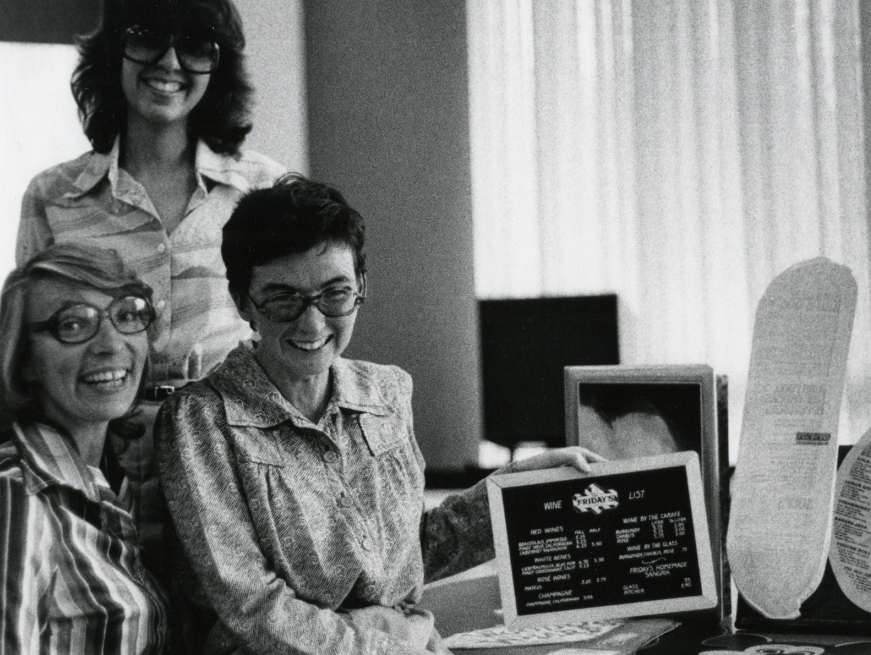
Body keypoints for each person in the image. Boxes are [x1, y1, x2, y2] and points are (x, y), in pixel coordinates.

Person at [157, 175, 603, 654]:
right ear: (244, 301)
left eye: (335, 294)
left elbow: (408, 555)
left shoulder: (387, 391)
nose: (312, 323)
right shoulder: (200, 421)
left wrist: (520, 490)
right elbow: (253, 608)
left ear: (361, 287)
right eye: (284, 298)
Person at [15, 0, 286, 546]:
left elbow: (292, 353)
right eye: (146, 40)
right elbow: (34, 359)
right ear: (113, 53)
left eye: (195, 46)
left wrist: (186, 424)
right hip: (96, 487)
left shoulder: (268, 192)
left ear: (220, 66)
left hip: (239, 482)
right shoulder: (52, 199)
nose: (169, 63)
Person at [0, 243, 168, 654]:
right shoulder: (14, 495)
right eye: (72, 324)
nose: (110, 343)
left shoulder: (111, 480)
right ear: (25, 360)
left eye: (127, 315)